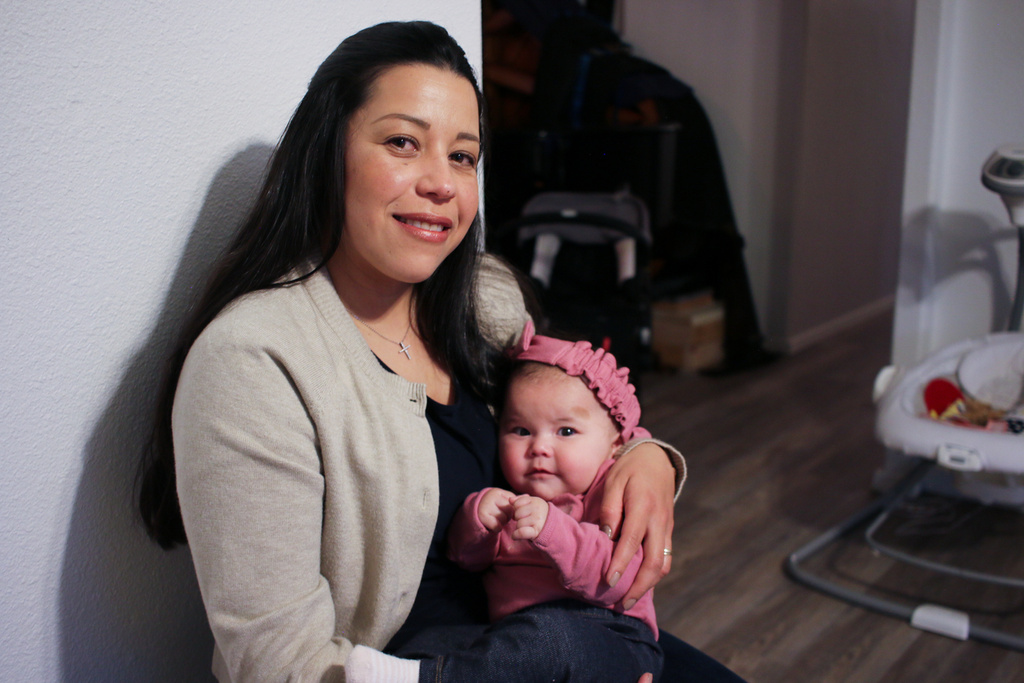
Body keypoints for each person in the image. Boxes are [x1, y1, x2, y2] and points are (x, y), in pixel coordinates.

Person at [136, 19, 744, 683]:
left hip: (559, 629)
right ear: (327, 152)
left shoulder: (485, 300)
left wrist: (646, 455)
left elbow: (571, 405)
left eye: (462, 156)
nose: (442, 183)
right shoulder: (255, 362)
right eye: (403, 142)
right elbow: (280, 664)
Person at [430, 320, 668, 682]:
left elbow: (617, 581)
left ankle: (421, 678)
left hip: (612, 634)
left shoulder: (611, 491)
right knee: (438, 640)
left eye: (566, 431)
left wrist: (553, 530)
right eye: (521, 430)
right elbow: (466, 560)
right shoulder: (511, 500)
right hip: (514, 636)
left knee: (549, 640)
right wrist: (477, 520)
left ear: (615, 444)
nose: (539, 447)